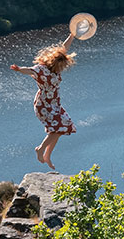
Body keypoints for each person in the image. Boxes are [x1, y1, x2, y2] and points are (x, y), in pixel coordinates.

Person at [10, 32, 77, 169]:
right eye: (61, 66)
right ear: (54, 62)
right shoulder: (41, 69)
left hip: (54, 103)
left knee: (63, 127)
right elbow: (29, 70)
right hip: (44, 105)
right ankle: (40, 149)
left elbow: (64, 48)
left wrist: (72, 36)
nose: (62, 68)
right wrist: (18, 69)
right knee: (58, 129)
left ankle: (47, 155)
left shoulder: (56, 68)